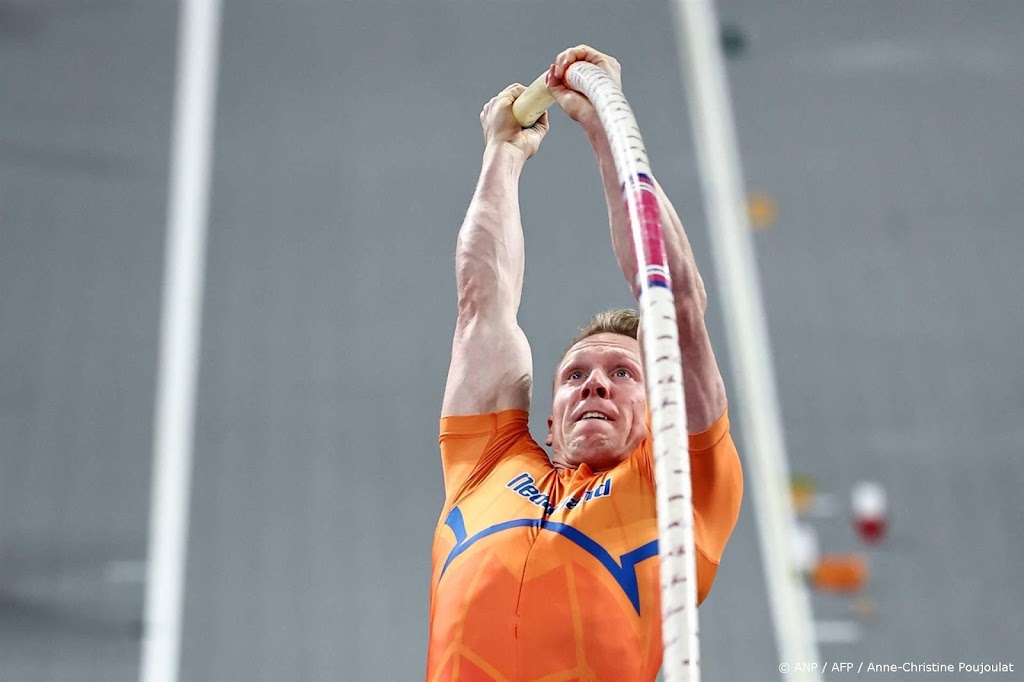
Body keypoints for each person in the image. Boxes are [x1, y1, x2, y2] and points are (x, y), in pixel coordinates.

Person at [426, 45, 743, 682]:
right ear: (548, 423)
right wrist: (503, 154)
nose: (595, 380)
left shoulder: (676, 485)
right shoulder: (485, 466)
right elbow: (481, 303)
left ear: (664, 416)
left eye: (624, 374)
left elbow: (675, 300)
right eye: (575, 376)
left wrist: (604, 130)